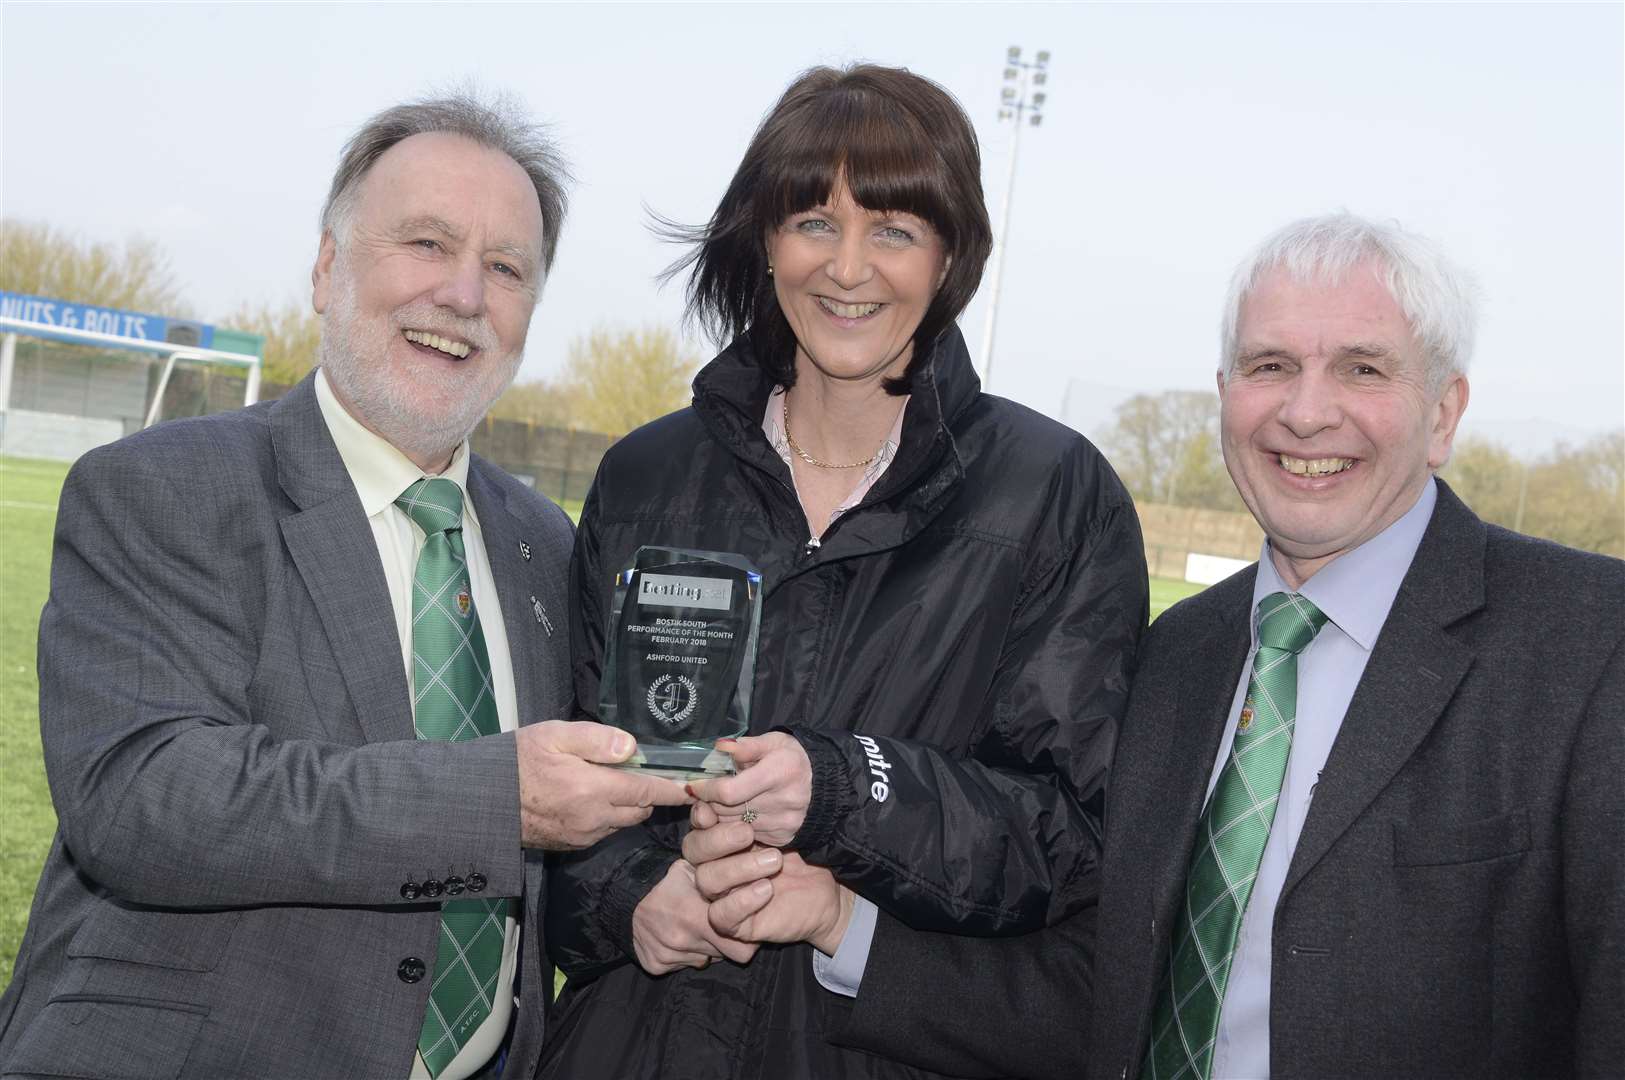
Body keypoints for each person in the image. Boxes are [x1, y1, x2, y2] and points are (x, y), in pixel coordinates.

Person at [0, 93, 688, 1080]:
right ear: (328, 269)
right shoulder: (163, 487)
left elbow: (564, 837)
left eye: (505, 268)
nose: (462, 294)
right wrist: (497, 800)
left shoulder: (544, 542)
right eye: (425, 243)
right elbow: (144, 801)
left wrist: (650, 889)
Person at [540, 64, 1146, 1079]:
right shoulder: (644, 476)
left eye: (893, 230)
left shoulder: (1050, 496)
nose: (847, 267)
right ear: (763, 238)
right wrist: (635, 897)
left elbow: (1067, 841)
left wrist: (841, 789)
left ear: (948, 254)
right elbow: (559, 788)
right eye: (813, 221)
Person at [1089, 214, 1624, 1080]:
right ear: (1225, 391)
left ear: (1443, 412)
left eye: (1361, 369)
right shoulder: (1172, 652)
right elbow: (1100, 985)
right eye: (1271, 367)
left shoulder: (1595, 644)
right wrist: (840, 925)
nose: (1305, 413)